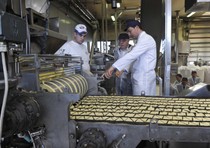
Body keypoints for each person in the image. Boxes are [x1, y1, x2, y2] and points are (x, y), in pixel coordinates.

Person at [103, 20, 157, 96]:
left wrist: (112, 67)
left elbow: (131, 56)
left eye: (130, 31)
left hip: (144, 81)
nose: (129, 34)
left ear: (137, 27)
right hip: (139, 79)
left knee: (142, 105)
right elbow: (134, 60)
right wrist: (123, 69)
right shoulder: (140, 41)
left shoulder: (146, 39)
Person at [54, 24, 98, 95]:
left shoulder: (84, 47)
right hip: (74, 79)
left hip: (86, 77)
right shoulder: (67, 46)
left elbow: (86, 62)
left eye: (84, 36)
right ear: (75, 34)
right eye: (80, 35)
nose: (82, 38)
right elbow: (56, 60)